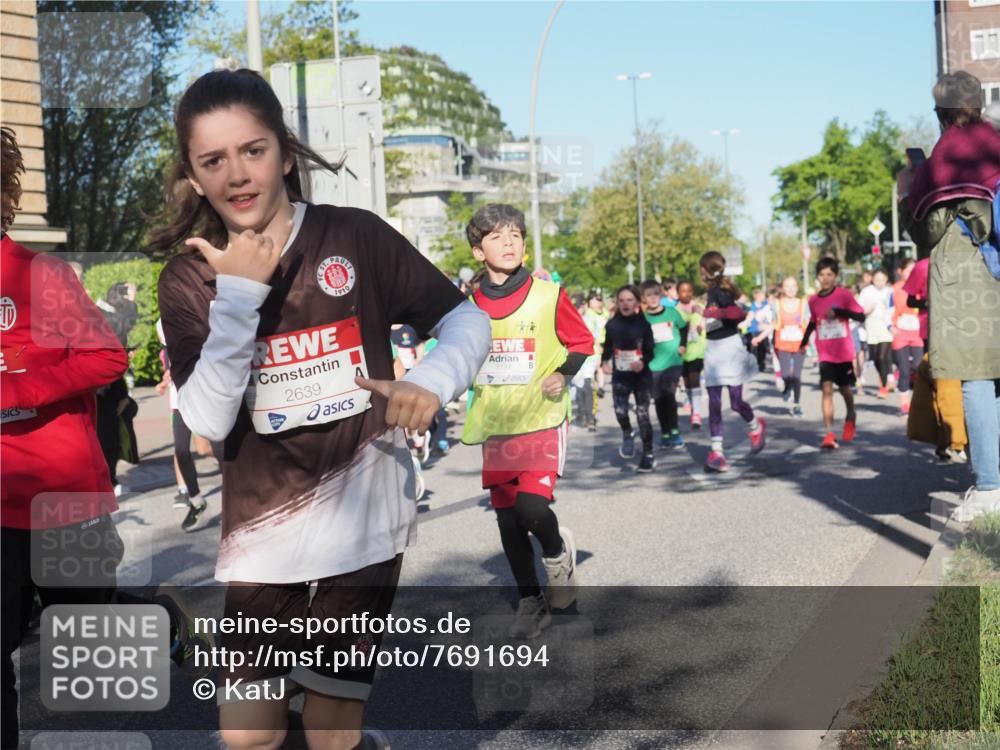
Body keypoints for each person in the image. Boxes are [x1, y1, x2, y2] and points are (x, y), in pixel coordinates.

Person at [152, 69, 490, 750]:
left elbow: (465, 319)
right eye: (213, 160)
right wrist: (238, 296)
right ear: (193, 176)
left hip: (365, 516)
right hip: (262, 534)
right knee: (249, 736)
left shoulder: (353, 236)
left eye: (253, 150)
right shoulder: (189, 277)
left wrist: (432, 379)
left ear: (283, 152)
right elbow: (208, 420)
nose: (237, 175)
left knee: (331, 732)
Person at [1, 126, 129, 750]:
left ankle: (156, 621)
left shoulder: (39, 275)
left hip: (63, 499)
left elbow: (107, 357)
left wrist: (19, 390)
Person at [460, 204, 592, 639]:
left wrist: (563, 373)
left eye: (515, 235)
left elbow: (582, 342)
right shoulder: (469, 307)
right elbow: (458, 357)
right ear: (479, 251)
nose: (509, 243)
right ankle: (530, 600)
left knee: (532, 508)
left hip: (542, 417)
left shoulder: (549, 294)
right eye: (497, 237)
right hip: (497, 422)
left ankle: (557, 557)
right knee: (507, 519)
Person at [898, 70, 1000, 521]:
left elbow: (926, 230)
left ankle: (991, 488)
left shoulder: (943, 159)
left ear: (940, 112)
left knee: (976, 378)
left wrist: (909, 187)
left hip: (965, 276)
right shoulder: (995, 143)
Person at [699, 252, 766, 473]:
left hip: (730, 348)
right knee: (714, 402)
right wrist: (705, 321)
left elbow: (737, 312)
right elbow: (716, 317)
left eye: (701, 268)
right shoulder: (713, 290)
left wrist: (713, 312)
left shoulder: (721, 290)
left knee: (736, 402)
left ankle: (755, 427)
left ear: (705, 269)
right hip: (713, 349)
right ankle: (717, 452)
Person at [155, 318, 223, 528]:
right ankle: (196, 501)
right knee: (182, 451)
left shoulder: (197, 318)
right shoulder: (162, 326)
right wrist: (166, 379)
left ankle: (237, 495)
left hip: (203, 394)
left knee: (219, 448)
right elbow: (170, 360)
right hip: (179, 401)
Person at [801, 257, 866, 450]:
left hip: (843, 352)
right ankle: (829, 434)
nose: (825, 278)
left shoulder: (843, 295)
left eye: (829, 274)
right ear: (817, 277)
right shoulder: (813, 300)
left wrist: (839, 311)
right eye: (822, 274)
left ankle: (851, 413)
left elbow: (860, 316)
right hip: (825, 353)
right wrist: (803, 342)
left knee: (845, 389)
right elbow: (813, 322)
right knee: (826, 389)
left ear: (835, 276)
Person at [601, 285, 656, 471]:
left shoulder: (644, 325)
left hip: (641, 376)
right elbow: (608, 347)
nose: (625, 304)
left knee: (642, 414)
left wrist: (642, 361)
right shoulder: (612, 325)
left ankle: (648, 454)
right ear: (617, 303)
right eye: (622, 300)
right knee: (620, 412)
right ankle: (627, 432)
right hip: (621, 376)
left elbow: (650, 351)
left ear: (637, 303)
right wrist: (604, 362)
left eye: (630, 300)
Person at [640, 280, 688, 448]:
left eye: (655, 294)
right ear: (643, 298)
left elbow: (684, 328)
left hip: (673, 361)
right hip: (653, 365)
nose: (653, 298)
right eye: (648, 295)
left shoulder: (672, 312)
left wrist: (683, 345)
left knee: (669, 394)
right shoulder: (643, 318)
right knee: (659, 398)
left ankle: (674, 432)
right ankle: (665, 432)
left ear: (660, 295)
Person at [890, 259, 924, 416]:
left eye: (913, 271)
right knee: (904, 370)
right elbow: (888, 309)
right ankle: (905, 404)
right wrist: (890, 327)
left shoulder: (922, 287)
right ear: (900, 271)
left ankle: (919, 401)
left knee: (918, 366)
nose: (911, 274)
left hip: (918, 332)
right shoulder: (894, 289)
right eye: (908, 271)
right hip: (900, 332)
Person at [773, 276, 809, 417]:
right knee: (786, 374)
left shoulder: (804, 304)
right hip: (783, 344)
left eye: (793, 286)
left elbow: (809, 322)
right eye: (787, 286)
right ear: (783, 288)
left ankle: (796, 405)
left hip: (800, 344)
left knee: (797, 376)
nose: (790, 289)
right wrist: (760, 335)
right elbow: (772, 323)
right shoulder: (777, 304)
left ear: (797, 288)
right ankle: (787, 388)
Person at [858, 268, 894, 398]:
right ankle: (883, 378)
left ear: (886, 279)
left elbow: (895, 308)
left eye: (882, 280)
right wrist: (867, 310)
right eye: (877, 280)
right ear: (872, 279)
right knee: (875, 358)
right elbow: (859, 309)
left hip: (885, 326)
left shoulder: (890, 291)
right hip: (871, 325)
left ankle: (883, 387)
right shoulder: (866, 291)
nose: (880, 282)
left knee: (882, 357)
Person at [676, 280, 706, 429]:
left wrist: (701, 325)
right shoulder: (675, 311)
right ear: (678, 293)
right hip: (682, 351)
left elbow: (705, 324)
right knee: (686, 381)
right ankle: (693, 406)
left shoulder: (699, 307)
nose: (686, 294)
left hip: (697, 349)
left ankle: (697, 414)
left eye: (689, 291)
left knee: (694, 379)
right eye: (683, 291)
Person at [570, 294, 599, 431]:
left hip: (589, 358)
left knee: (587, 386)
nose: (577, 310)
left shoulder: (592, 320)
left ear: (584, 306)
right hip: (574, 358)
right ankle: (581, 414)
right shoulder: (568, 319)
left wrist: (599, 358)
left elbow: (597, 339)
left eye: (579, 306)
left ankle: (590, 418)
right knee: (578, 387)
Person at [584, 291, 610, 400]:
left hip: (605, 343)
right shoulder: (589, 314)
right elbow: (590, 332)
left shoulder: (605, 313)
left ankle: (600, 387)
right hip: (594, 344)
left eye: (596, 300)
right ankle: (594, 388)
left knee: (600, 366)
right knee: (596, 365)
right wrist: (597, 344)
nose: (594, 303)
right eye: (592, 301)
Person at [745, 287, 774, 373]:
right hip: (754, 330)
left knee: (763, 348)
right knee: (755, 349)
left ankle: (762, 364)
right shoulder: (752, 306)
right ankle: (754, 365)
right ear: (756, 296)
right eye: (762, 295)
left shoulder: (765, 304)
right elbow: (750, 317)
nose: (764, 297)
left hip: (764, 330)